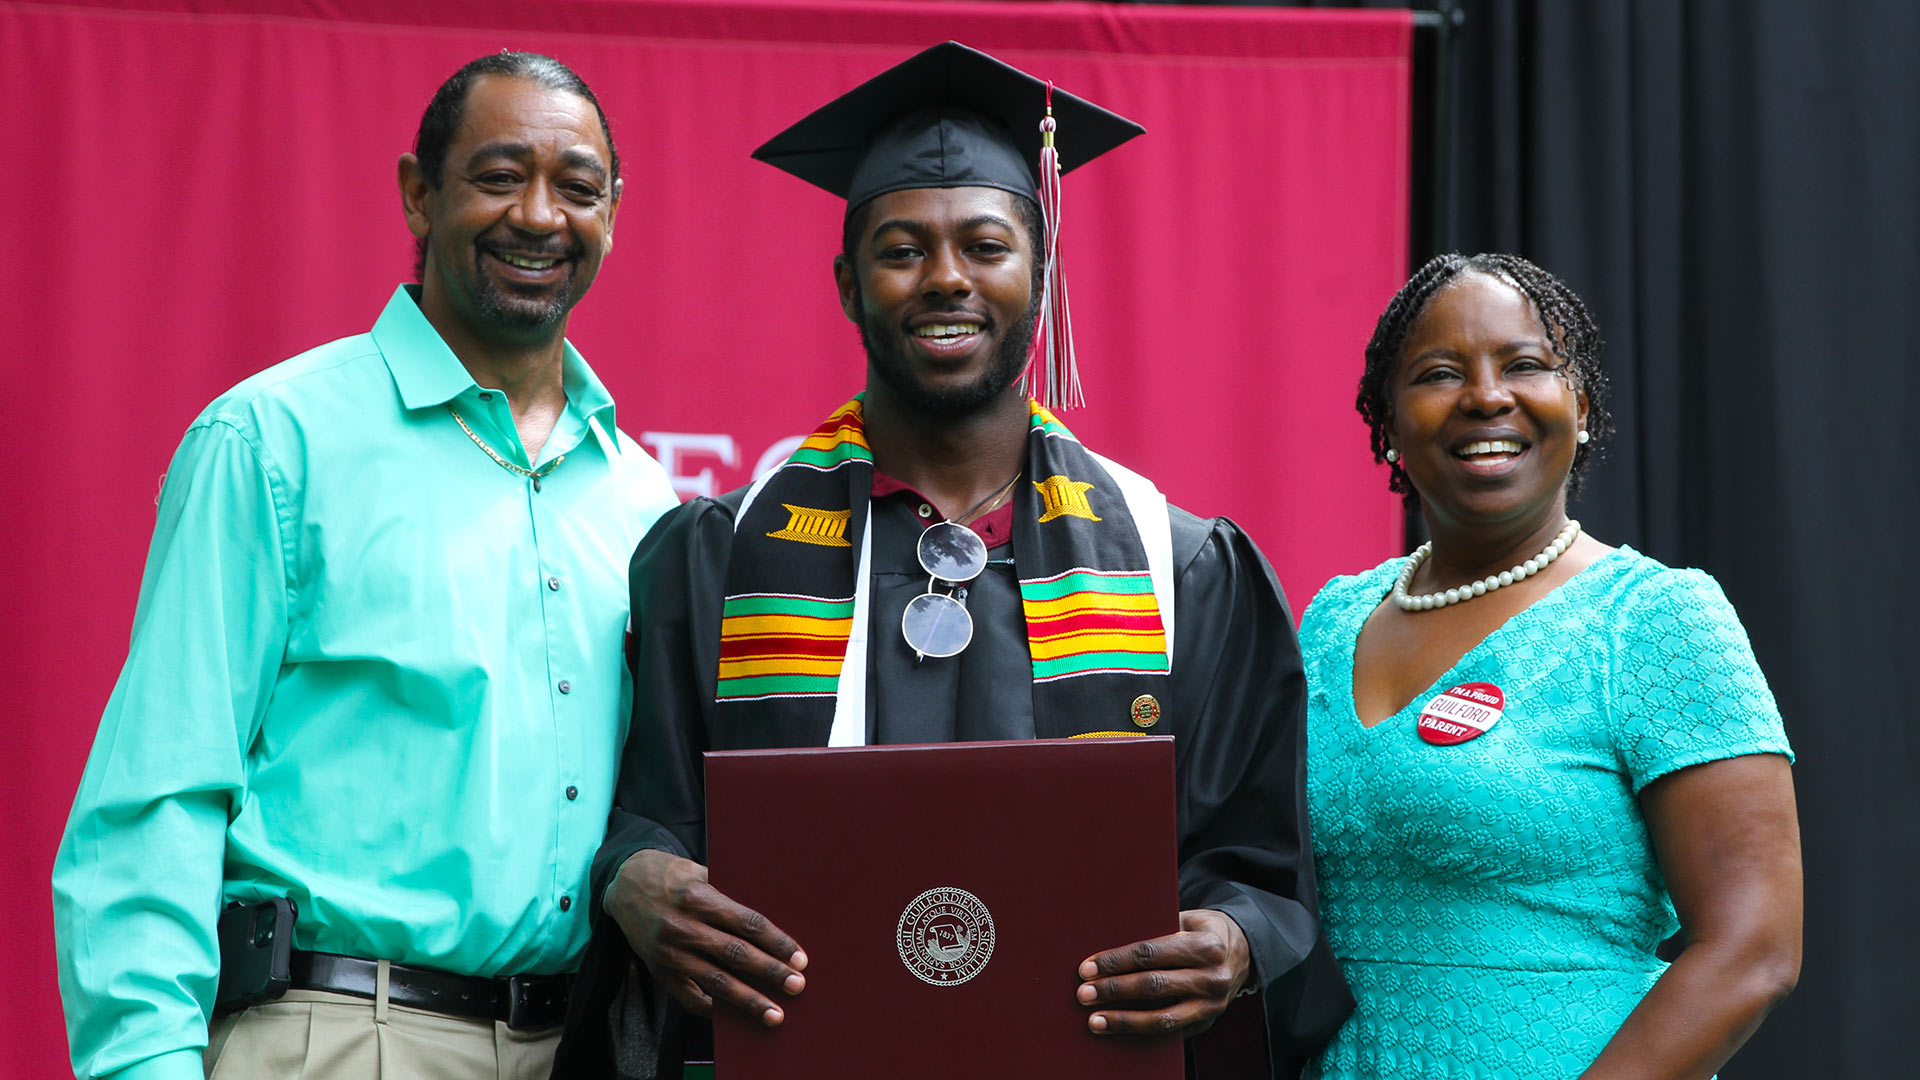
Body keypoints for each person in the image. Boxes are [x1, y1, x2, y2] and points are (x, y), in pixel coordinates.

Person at [553, 41, 1351, 1080]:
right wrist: (633, 877)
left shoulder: (1178, 563)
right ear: (847, 284)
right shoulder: (721, 555)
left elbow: (1260, 863)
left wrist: (1238, 943)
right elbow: (649, 810)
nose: (946, 281)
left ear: (1041, 272)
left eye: (985, 245)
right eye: (901, 250)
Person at [52, 52, 678, 1080]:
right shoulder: (273, 442)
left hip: (578, 1048)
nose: (538, 215)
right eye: (497, 175)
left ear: (614, 210)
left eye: (576, 187)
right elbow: (158, 798)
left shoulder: (644, 502)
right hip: (340, 1035)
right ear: (417, 195)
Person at [1299, 253, 1801, 1079]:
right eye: (1437, 373)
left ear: (1585, 404)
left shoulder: (1655, 619)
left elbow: (1754, 951)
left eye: (1525, 365)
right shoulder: (1332, 619)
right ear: (1386, 421)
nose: (1486, 396)